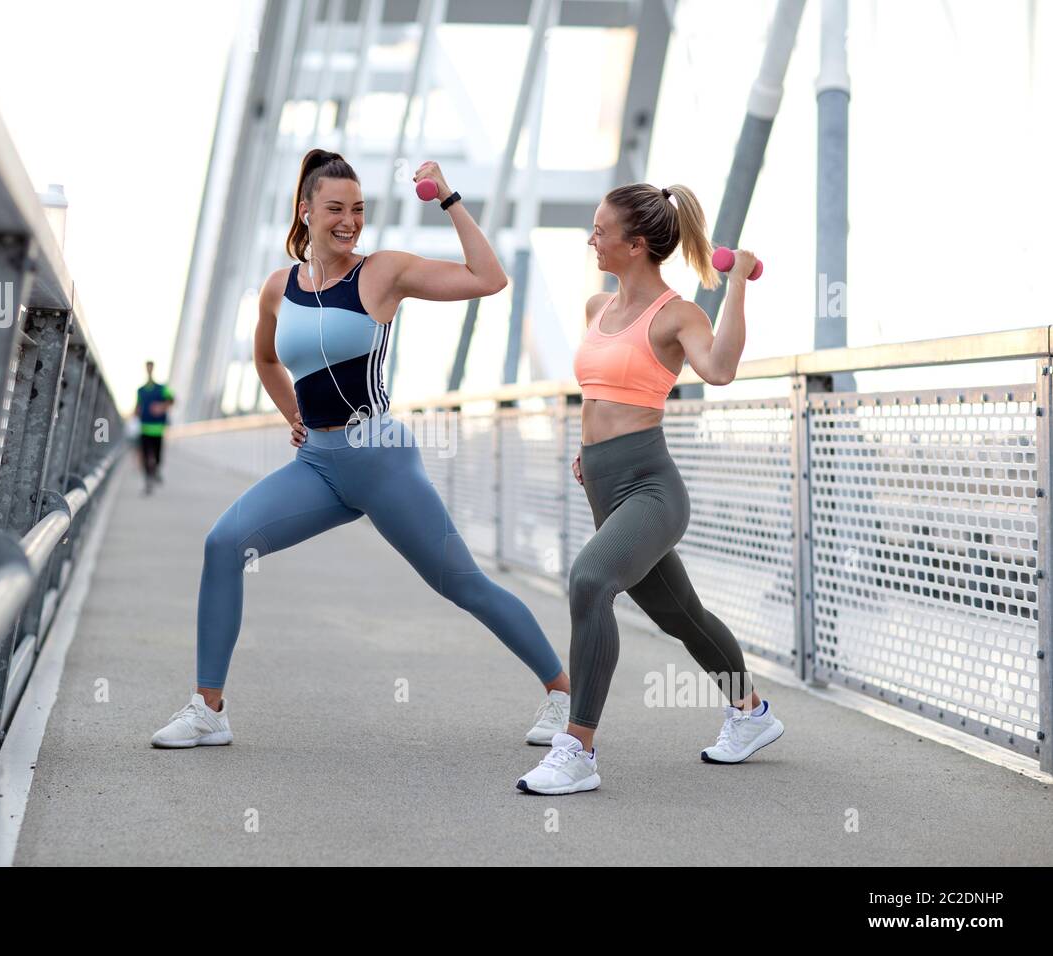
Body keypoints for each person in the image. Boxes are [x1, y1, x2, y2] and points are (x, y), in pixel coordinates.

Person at [152, 149, 571, 749]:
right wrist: (290, 413)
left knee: (460, 581)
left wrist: (447, 197)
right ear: (305, 212)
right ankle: (208, 709)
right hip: (316, 465)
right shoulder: (279, 287)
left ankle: (561, 692)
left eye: (358, 209)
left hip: (379, 458)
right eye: (335, 209)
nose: (349, 221)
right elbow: (267, 358)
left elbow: (489, 278)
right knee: (223, 543)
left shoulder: (382, 272)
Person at [516, 183, 784, 795]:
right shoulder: (594, 308)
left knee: (589, 580)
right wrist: (588, 453)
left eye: (601, 231)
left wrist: (737, 280)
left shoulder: (676, 314)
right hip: (605, 482)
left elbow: (718, 369)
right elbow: (599, 393)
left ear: (636, 246)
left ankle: (577, 750)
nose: (592, 239)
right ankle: (751, 713)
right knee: (681, 616)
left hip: (652, 488)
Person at [136, 360, 174, 494]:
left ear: (153, 369)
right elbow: (138, 407)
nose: (149, 370)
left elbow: (172, 400)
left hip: (158, 429)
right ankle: (148, 481)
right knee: (146, 456)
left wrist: (161, 407)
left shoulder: (162, 388)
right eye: (147, 368)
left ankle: (155, 471)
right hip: (144, 427)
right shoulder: (140, 390)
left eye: (150, 368)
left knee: (157, 457)